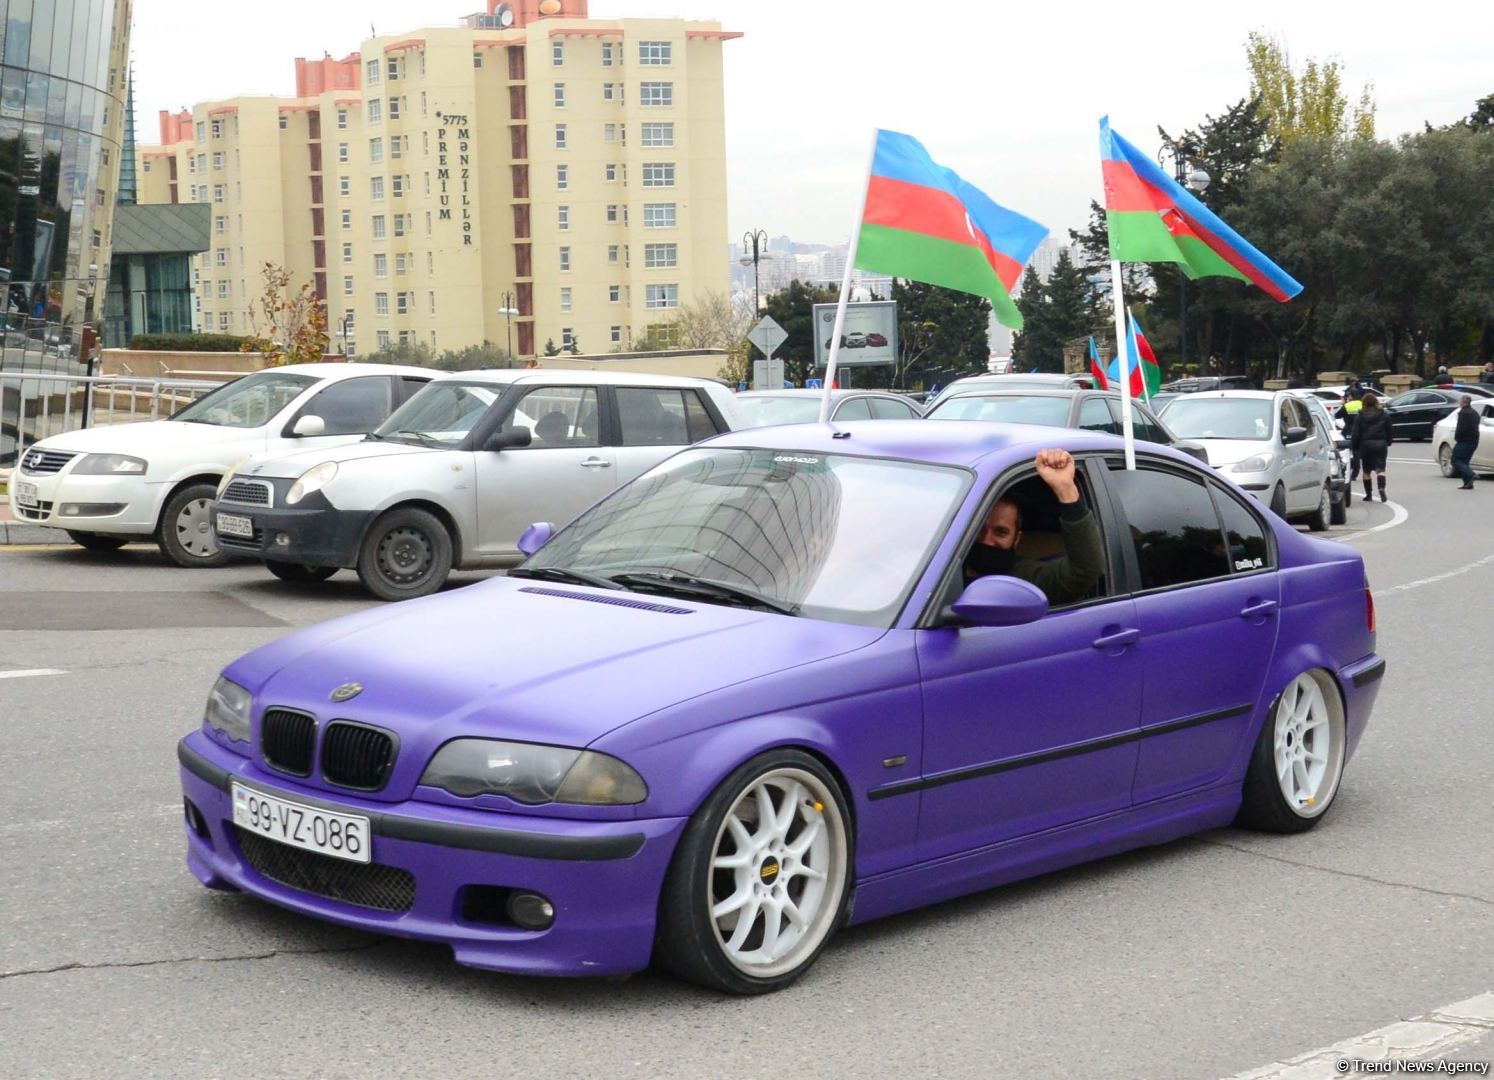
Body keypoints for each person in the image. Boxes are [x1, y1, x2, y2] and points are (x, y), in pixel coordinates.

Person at [964, 448, 1105, 605]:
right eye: (980, 529)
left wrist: (1065, 489)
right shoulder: (940, 567)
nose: (987, 539)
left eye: (1000, 532)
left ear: (1017, 539)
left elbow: (1084, 572)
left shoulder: (1025, 579)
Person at [1351, 392, 1393, 502]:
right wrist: (1388, 441)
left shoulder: (1360, 416)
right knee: (1381, 469)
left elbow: (1356, 433)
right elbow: (1389, 429)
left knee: (1366, 470)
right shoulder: (1383, 414)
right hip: (1380, 444)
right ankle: (1381, 488)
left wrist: (1354, 446)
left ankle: (1368, 494)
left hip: (1365, 445)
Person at [1451, 395, 1480, 490]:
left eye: (1460, 401)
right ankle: (1468, 483)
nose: (1459, 402)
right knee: (1464, 461)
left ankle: (1471, 474)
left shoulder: (1463, 413)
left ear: (1463, 402)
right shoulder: (1475, 413)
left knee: (1455, 460)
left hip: (1464, 440)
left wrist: (1457, 437)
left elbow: (1461, 428)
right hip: (1474, 440)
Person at [1341, 394, 1364, 481]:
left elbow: (1337, 415)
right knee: (1357, 453)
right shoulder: (1362, 404)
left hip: (1348, 429)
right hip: (1360, 431)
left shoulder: (1347, 405)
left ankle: (1344, 471)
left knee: (1345, 451)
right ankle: (1355, 473)